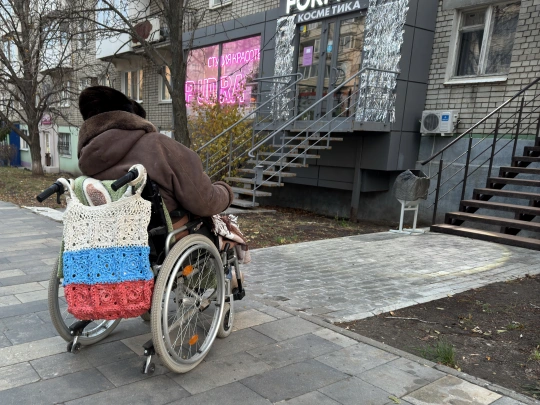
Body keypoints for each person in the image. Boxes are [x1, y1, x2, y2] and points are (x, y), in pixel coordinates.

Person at [77, 85, 233, 218]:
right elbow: (204, 202)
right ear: (133, 118)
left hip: (116, 236)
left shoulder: (88, 161)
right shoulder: (158, 146)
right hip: (167, 238)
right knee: (229, 236)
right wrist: (226, 191)